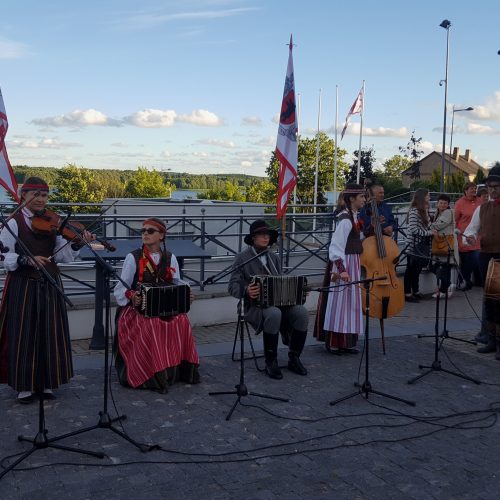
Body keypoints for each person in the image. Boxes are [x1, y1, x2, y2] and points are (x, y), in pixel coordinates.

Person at [0, 177, 94, 404]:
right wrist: (26, 259)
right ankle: (24, 385)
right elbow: (3, 256)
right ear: (23, 195)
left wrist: (76, 243)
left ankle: (48, 382)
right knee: (24, 333)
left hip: (50, 281)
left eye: (44, 195)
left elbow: (61, 256)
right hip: (23, 284)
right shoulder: (13, 223)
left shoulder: (52, 221)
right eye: (36, 195)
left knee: (50, 332)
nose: (41, 200)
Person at [113, 217, 200, 392]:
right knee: (151, 323)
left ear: (161, 236)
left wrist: (186, 294)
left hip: (164, 309)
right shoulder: (133, 258)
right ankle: (151, 375)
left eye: (150, 231)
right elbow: (120, 288)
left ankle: (179, 372)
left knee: (181, 320)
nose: (145, 234)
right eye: (143, 231)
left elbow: (177, 282)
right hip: (136, 311)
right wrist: (132, 297)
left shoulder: (169, 257)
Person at [228, 220, 308, 379]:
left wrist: (298, 291)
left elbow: (280, 281)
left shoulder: (273, 257)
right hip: (252, 305)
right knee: (274, 314)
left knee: (301, 312)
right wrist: (247, 290)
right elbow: (232, 286)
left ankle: (294, 357)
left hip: (278, 303)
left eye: (268, 235)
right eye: (262, 235)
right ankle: (271, 361)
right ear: (253, 238)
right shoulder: (242, 257)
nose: (266, 238)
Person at [314, 184, 366, 354]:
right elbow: (336, 247)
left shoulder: (354, 217)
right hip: (343, 264)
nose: (364, 200)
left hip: (353, 262)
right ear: (352, 199)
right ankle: (334, 342)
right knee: (339, 304)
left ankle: (345, 342)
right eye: (361, 197)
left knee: (349, 304)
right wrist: (342, 269)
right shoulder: (345, 220)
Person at [464, 165, 500, 359]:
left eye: (496, 186)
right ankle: (491, 339)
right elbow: (471, 230)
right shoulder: (482, 208)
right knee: (490, 301)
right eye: (490, 186)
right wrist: (469, 237)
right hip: (487, 256)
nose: (493, 189)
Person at [403, 188, 437, 302]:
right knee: (410, 270)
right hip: (413, 246)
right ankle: (407, 294)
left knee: (416, 270)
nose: (430, 197)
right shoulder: (414, 211)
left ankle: (416, 291)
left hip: (421, 245)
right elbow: (413, 229)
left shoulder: (424, 210)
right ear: (422, 197)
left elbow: (428, 225)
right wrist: (429, 233)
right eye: (428, 195)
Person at [454, 182, 483, 290]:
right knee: (467, 261)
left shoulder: (480, 202)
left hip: (477, 237)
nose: (474, 190)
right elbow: (455, 220)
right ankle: (463, 282)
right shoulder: (459, 203)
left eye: (475, 188)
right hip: (464, 236)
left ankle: (463, 281)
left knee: (475, 257)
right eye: (472, 188)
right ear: (465, 190)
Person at [430, 194, 457, 298]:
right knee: (440, 267)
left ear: (448, 204)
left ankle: (444, 290)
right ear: (437, 204)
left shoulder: (448, 212)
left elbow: (438, 225)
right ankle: (447, 286)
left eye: (445, 203)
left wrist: (427, 226)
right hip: (440, 244)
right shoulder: (437, 213)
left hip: (446, 244)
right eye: (441, 202)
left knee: (444, 267)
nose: (443, 205)